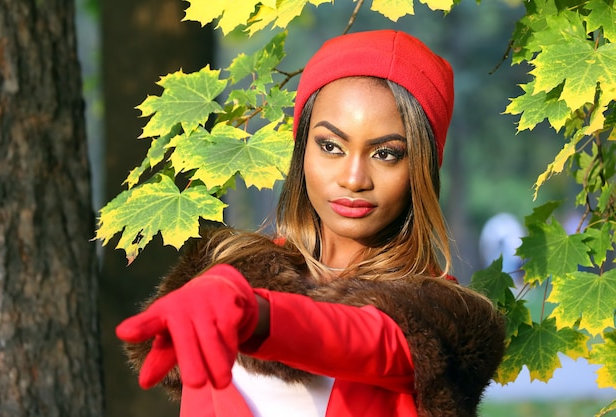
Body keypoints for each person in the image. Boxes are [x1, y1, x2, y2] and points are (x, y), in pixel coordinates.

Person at [116, 30, 506, 417]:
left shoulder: (445, 321)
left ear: (420, 168)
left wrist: (256, 313)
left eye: (386, 154)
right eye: (331, 146)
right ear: (302, 149)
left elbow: (363, 338)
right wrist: (223, 283)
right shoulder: (225, 271)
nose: (354, 178)